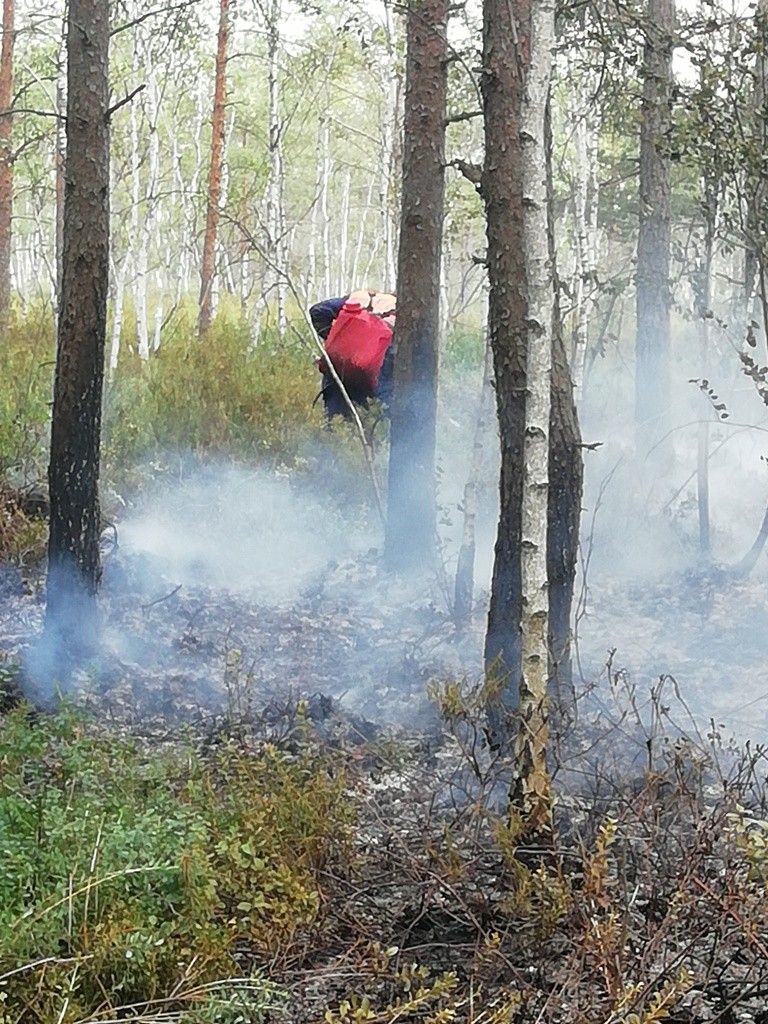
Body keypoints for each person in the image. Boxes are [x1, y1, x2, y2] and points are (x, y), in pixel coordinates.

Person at [309, 289, 396, 419]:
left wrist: (335, 338)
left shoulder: (358, 298)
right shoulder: (402, 309)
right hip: (375, 374)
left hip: (338, 369)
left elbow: (318, 311)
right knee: (381, 418)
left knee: (335, 424)